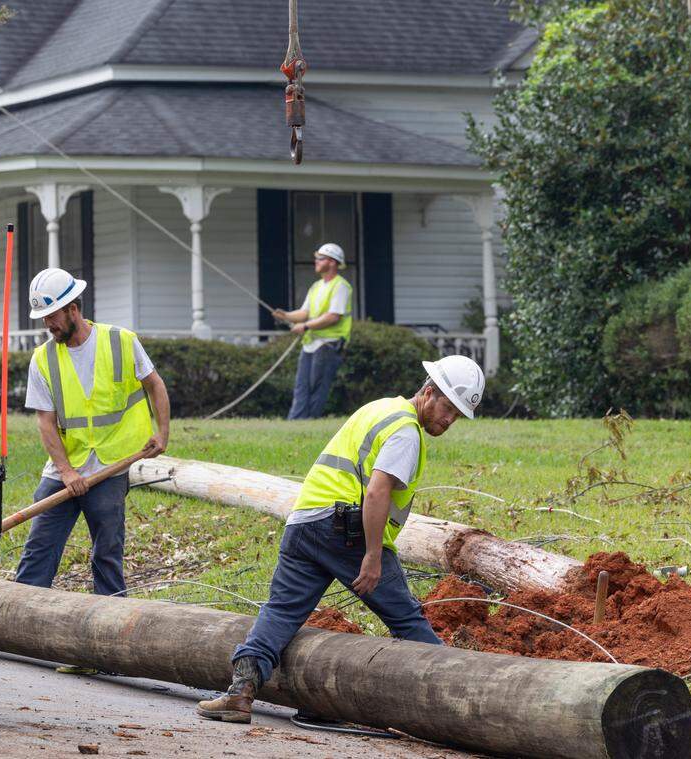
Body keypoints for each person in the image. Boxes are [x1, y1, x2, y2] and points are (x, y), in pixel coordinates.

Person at [196, 355, 485, 723]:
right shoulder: (406, 432)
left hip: (304, 522)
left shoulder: (381, 409)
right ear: (429, 392)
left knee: (281, 610)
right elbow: (379, 492)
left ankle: (240, 691)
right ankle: (462, 695)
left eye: (457, 416)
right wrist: (373, 555)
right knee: (406, 619)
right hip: (345, 530)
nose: (449, 420)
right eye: (448, 409)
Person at [16, 267, 171, 602]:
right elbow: (46, 422)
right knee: (39, 548)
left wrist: (163, 432)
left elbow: (154, 384)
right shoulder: (43, 359)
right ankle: (20, 609)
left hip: (110, 466)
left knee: (107, 551)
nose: (48, 325)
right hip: (63, 470)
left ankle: (111, 617)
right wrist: (67, 472)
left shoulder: (121, 341)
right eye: (43, 318)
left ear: (72, 308)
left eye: (52, 316)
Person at [272, 242, 352, 420]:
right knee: (301, 386)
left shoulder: (341, 286)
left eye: (320, 258)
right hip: (310, 344)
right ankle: (295, 422)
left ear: (332, 262)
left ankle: (310, 422)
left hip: (328, 345)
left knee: (317, 387)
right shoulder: (316, 286)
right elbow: (304, 313)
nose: (316, 261)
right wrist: (285, 316)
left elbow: (333, 316)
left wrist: (306, 326)